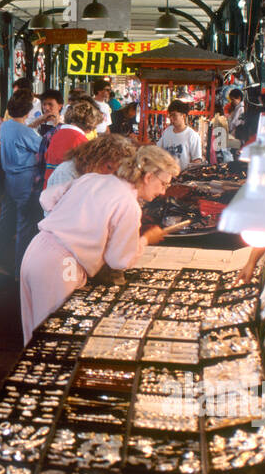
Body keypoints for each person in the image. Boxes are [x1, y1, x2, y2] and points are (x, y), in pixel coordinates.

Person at [20, 145, 181, 342]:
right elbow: (119, 260)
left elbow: (47, 199)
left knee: (32, 340)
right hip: (62, 265)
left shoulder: (95, 179)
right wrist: (146, 239)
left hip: (36, 250)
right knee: (53, 339)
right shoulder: (128, 204)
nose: (164, 192)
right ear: (148, 177)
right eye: (163, 184)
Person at [0, 90, 42, 273]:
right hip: (24, 180)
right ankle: (21, 270)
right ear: (27, 112)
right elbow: (42, 146)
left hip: (9, 179)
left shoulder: (5, 126)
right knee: (25, 224)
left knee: (5, 220)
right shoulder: (24, 131)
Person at [40, 132, 139, 213]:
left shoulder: (98, 176)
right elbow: (64, 214)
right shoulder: (67, 172)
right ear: (96, 158)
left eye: (115, 172)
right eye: (109, 167)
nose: (110, 175)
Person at [43, 97, 103, 187]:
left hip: (50, 186)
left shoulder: (58, 133)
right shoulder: (80, 140)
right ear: (90, 123)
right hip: (64, 190)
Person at [159, 99, 204, 169]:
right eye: (170, 116)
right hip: (167, 176)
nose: (171, 118)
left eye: (174, 115)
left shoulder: (192, 135)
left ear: (183, 116)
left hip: (184, 178)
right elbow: (157, 148)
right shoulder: (167, 131)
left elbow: (197, 161)